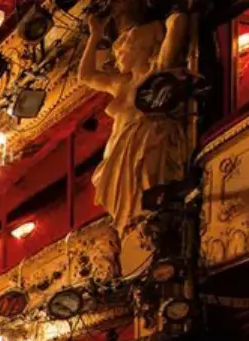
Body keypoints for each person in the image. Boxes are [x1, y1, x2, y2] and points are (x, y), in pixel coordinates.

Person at [78, 0, 190, 233]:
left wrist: (174, 16)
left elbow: (177, 24)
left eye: (125, 46)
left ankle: (148, 224)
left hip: (148, 141)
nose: (117, 53)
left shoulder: (157, 69)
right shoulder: (121, 83)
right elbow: (86, 75)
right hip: (121, 146)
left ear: (144, 45)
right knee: (130, 206)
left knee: (146, 195)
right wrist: (95, 35)